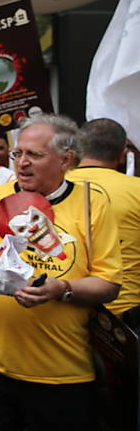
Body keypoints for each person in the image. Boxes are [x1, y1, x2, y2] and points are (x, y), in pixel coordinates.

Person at [0, 114, 120, 431]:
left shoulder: (92, 204)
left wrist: (62, 288)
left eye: (34, 155)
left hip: (61, 378)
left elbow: (108, 283)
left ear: (66, 159)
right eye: (18, 154)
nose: (22, 163)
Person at [67, 118, 140, 328]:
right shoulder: (136, 190)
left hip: (62, 313)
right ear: (122, 155)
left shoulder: (53, 185)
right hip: (123, 317)